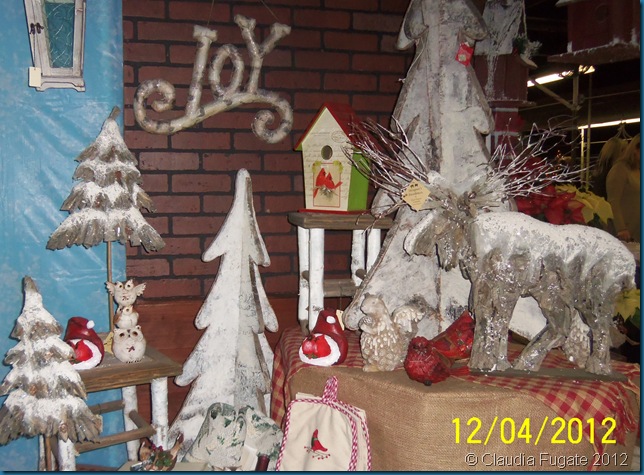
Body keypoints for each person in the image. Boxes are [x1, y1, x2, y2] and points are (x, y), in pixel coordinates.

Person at [606, 134, 640, 242]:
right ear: (635, 149)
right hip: (625, 233)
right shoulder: (620, 169)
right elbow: (613, 201)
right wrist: (621, 228)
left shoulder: (638, 170)